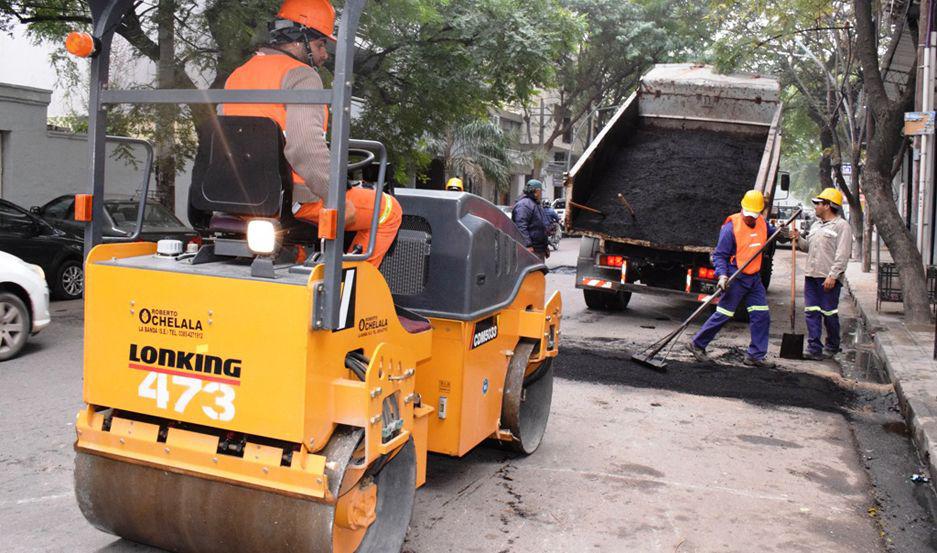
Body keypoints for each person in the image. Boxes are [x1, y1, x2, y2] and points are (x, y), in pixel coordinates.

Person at [222, 0, 401, 267]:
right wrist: (335, 196)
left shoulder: (237, 75)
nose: (324, 55)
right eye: (320, 45)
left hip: (237, 196)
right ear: (299, 40)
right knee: (388, 210)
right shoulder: (301, 76)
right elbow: (304, 147)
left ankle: (299, 256)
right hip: (291, 198)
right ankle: (346, 291)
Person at [686, 190, 776, 368]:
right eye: (748, 214)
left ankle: (755, 356)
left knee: (761, 315)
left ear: (760, 212)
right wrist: (722, 275)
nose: (750, 218)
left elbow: (775, 233)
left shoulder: (762, 224)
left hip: (754, 279)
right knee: (724, 314)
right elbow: (720, 255)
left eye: (754, 215)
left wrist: (787, 233)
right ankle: (697, 344)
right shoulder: (731, 227)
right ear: (742, 208)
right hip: (736, 277)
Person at [789, 187, 853, 360]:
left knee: (829, 313)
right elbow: (808, 247)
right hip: (811, 275)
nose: (815, 206)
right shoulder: (816, 225)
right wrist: (798, 239)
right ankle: (814, 349)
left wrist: (833, 275)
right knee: (811, 312)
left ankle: (832, 345)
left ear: (827, 205)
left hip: (828, 278)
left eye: (818, 203)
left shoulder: (842, 226)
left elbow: (843, 254)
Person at [511, 179, 550, 261]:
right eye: (540, 192)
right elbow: (521, 226)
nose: (541, 194)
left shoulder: (536, 204)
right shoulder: (524, 205)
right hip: (531, 250)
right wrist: (527, 245)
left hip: (539, 249)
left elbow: (541, 226)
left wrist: (545, 246)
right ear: (536, 192)